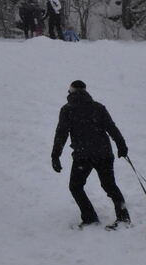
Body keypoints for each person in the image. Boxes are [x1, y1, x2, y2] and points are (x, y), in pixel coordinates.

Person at [50, 80, 131, 229]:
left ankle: (90, 218)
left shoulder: (67, 109)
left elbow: (61, 133)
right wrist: (121, 145)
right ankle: (123, 218)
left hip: (83, 156)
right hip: (104, 154)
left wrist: (55, 155)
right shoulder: (97, 107)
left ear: (71, 92)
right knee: (110, 186)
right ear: (85, 91)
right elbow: (111, 128)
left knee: (76, 187)